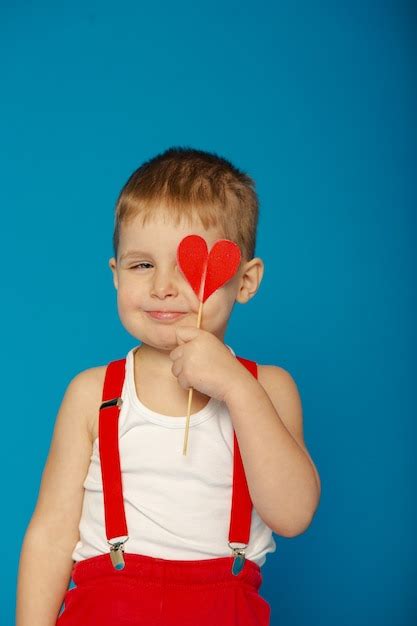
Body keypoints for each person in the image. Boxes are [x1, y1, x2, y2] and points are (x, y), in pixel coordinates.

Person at [16, 146, 321, 626]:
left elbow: (294, 514)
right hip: (106, 609)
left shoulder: (270, 388)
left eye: (189, 265)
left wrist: (238, 390)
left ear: (245, 281)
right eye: (142, 265)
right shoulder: (92, 393)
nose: (163, 286)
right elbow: (52, 534)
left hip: (226, 609)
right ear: (116, 276)